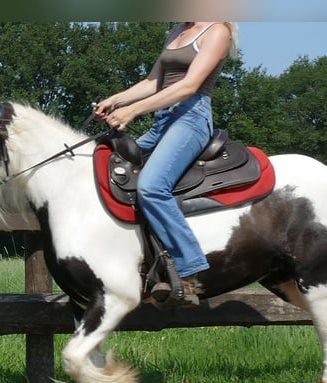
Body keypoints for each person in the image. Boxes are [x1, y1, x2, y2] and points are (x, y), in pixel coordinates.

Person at [93, 22, 238, 305]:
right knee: (111, 164)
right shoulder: (176, 31)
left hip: (191, 119)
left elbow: (188, 86)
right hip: (163, 121)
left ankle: (190, 272)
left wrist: (131, 111)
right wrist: (114, 101)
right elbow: (153, 83)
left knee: (151, 185)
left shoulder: (217, 31)